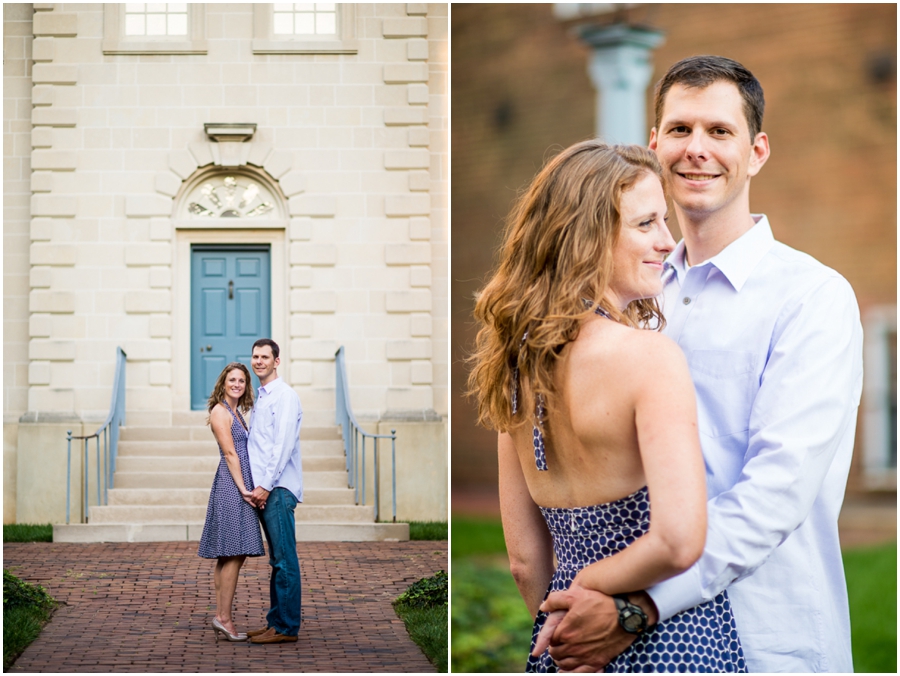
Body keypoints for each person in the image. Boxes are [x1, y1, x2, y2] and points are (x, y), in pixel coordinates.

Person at [537, 55, 864, 673]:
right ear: (653, 144)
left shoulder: (811, 297)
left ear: (758, 151)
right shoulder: (630, 296)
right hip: (621, 640)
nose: (697, 150)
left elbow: (775, 494)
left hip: (766, 633)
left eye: (720, 132)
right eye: (681, 130)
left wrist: (637, 605)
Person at [468, 140, 747, 672]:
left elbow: (526, 564)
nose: (669, 241)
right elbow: (678, 539)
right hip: (672, 645)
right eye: (646, 224)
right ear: (587, 238)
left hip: (564, 646)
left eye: (664, 221)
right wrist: (594, 589)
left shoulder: (516, 368)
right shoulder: (649, 358)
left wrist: (564, 617)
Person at [198, 361, 265, 642]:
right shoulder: (219, 412)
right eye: (232, 380)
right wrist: (244, 489)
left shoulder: (236, 412)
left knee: (228, 554)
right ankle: (224, 618)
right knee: (235, 552)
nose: (237, 384)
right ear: (223, 383)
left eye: (241, 381)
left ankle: (222, 615)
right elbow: (230, 453)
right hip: (231, 485)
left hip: (236, 483)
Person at [243, 338, 304, 645]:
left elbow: (282, 446)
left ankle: (286, 627)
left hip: (277, 489)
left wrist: (265, 486)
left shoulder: (285, 396)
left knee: (284, 559)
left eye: (265, 357)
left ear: (277, 361)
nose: (259, 361)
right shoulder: (262, 398)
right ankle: (275, 622)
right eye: (255, 357)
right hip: (267, 489)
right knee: (276, 560)